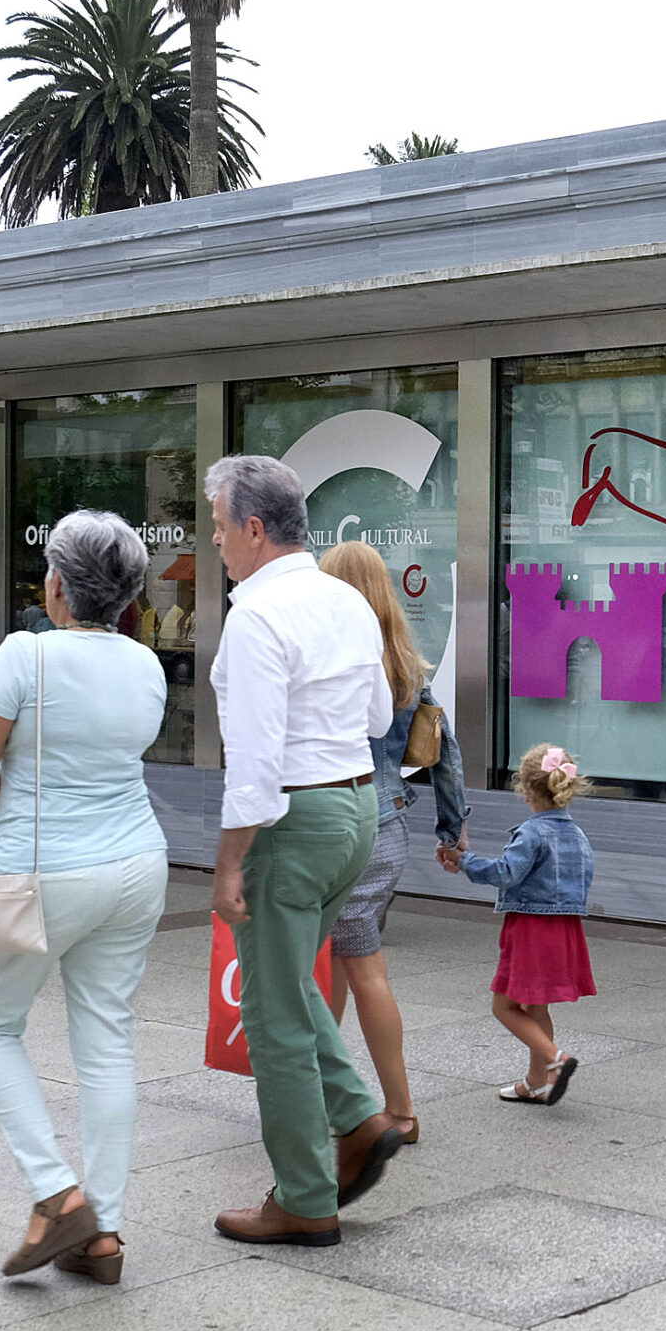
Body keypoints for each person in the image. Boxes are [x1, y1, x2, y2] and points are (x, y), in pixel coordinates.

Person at [0, 511, 170, 1285]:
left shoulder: (25, 654)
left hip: (39, 872)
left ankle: (56, 1191)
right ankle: (99, 1230)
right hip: (138, 862)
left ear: (57, 586)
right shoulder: (146, 665)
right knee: (106, 1038)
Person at [203, 455, 402, 1250]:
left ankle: (305, 1197)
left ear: (253, 529)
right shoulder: (344, 600)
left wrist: (225, 862)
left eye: (218, 528)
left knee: (274, 1007)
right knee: (291, 981)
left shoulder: (255, 616)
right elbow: (382, 715)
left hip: (294, 817)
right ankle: (356, 1119)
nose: (214, 543)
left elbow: (254, 761)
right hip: (356, 807)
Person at [316, 539, 469, 1146]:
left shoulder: (327, 656)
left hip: (335, 821)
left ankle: (364, 1106)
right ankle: (367, 1103)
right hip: (387, 824)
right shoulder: (405, 662)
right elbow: (445, 752)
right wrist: (451, 828)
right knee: (349, 965)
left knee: (340, 966)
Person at [445, 742, 596, 1105]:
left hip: (531, 928)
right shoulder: (578, 834)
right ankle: (535, 1082)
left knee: (504, 1006)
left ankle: (556, 1060)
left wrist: (464, 861)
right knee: (537, 1007)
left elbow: (506, 872)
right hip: (565, 929)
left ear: (526, 789)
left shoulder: (531, 832)